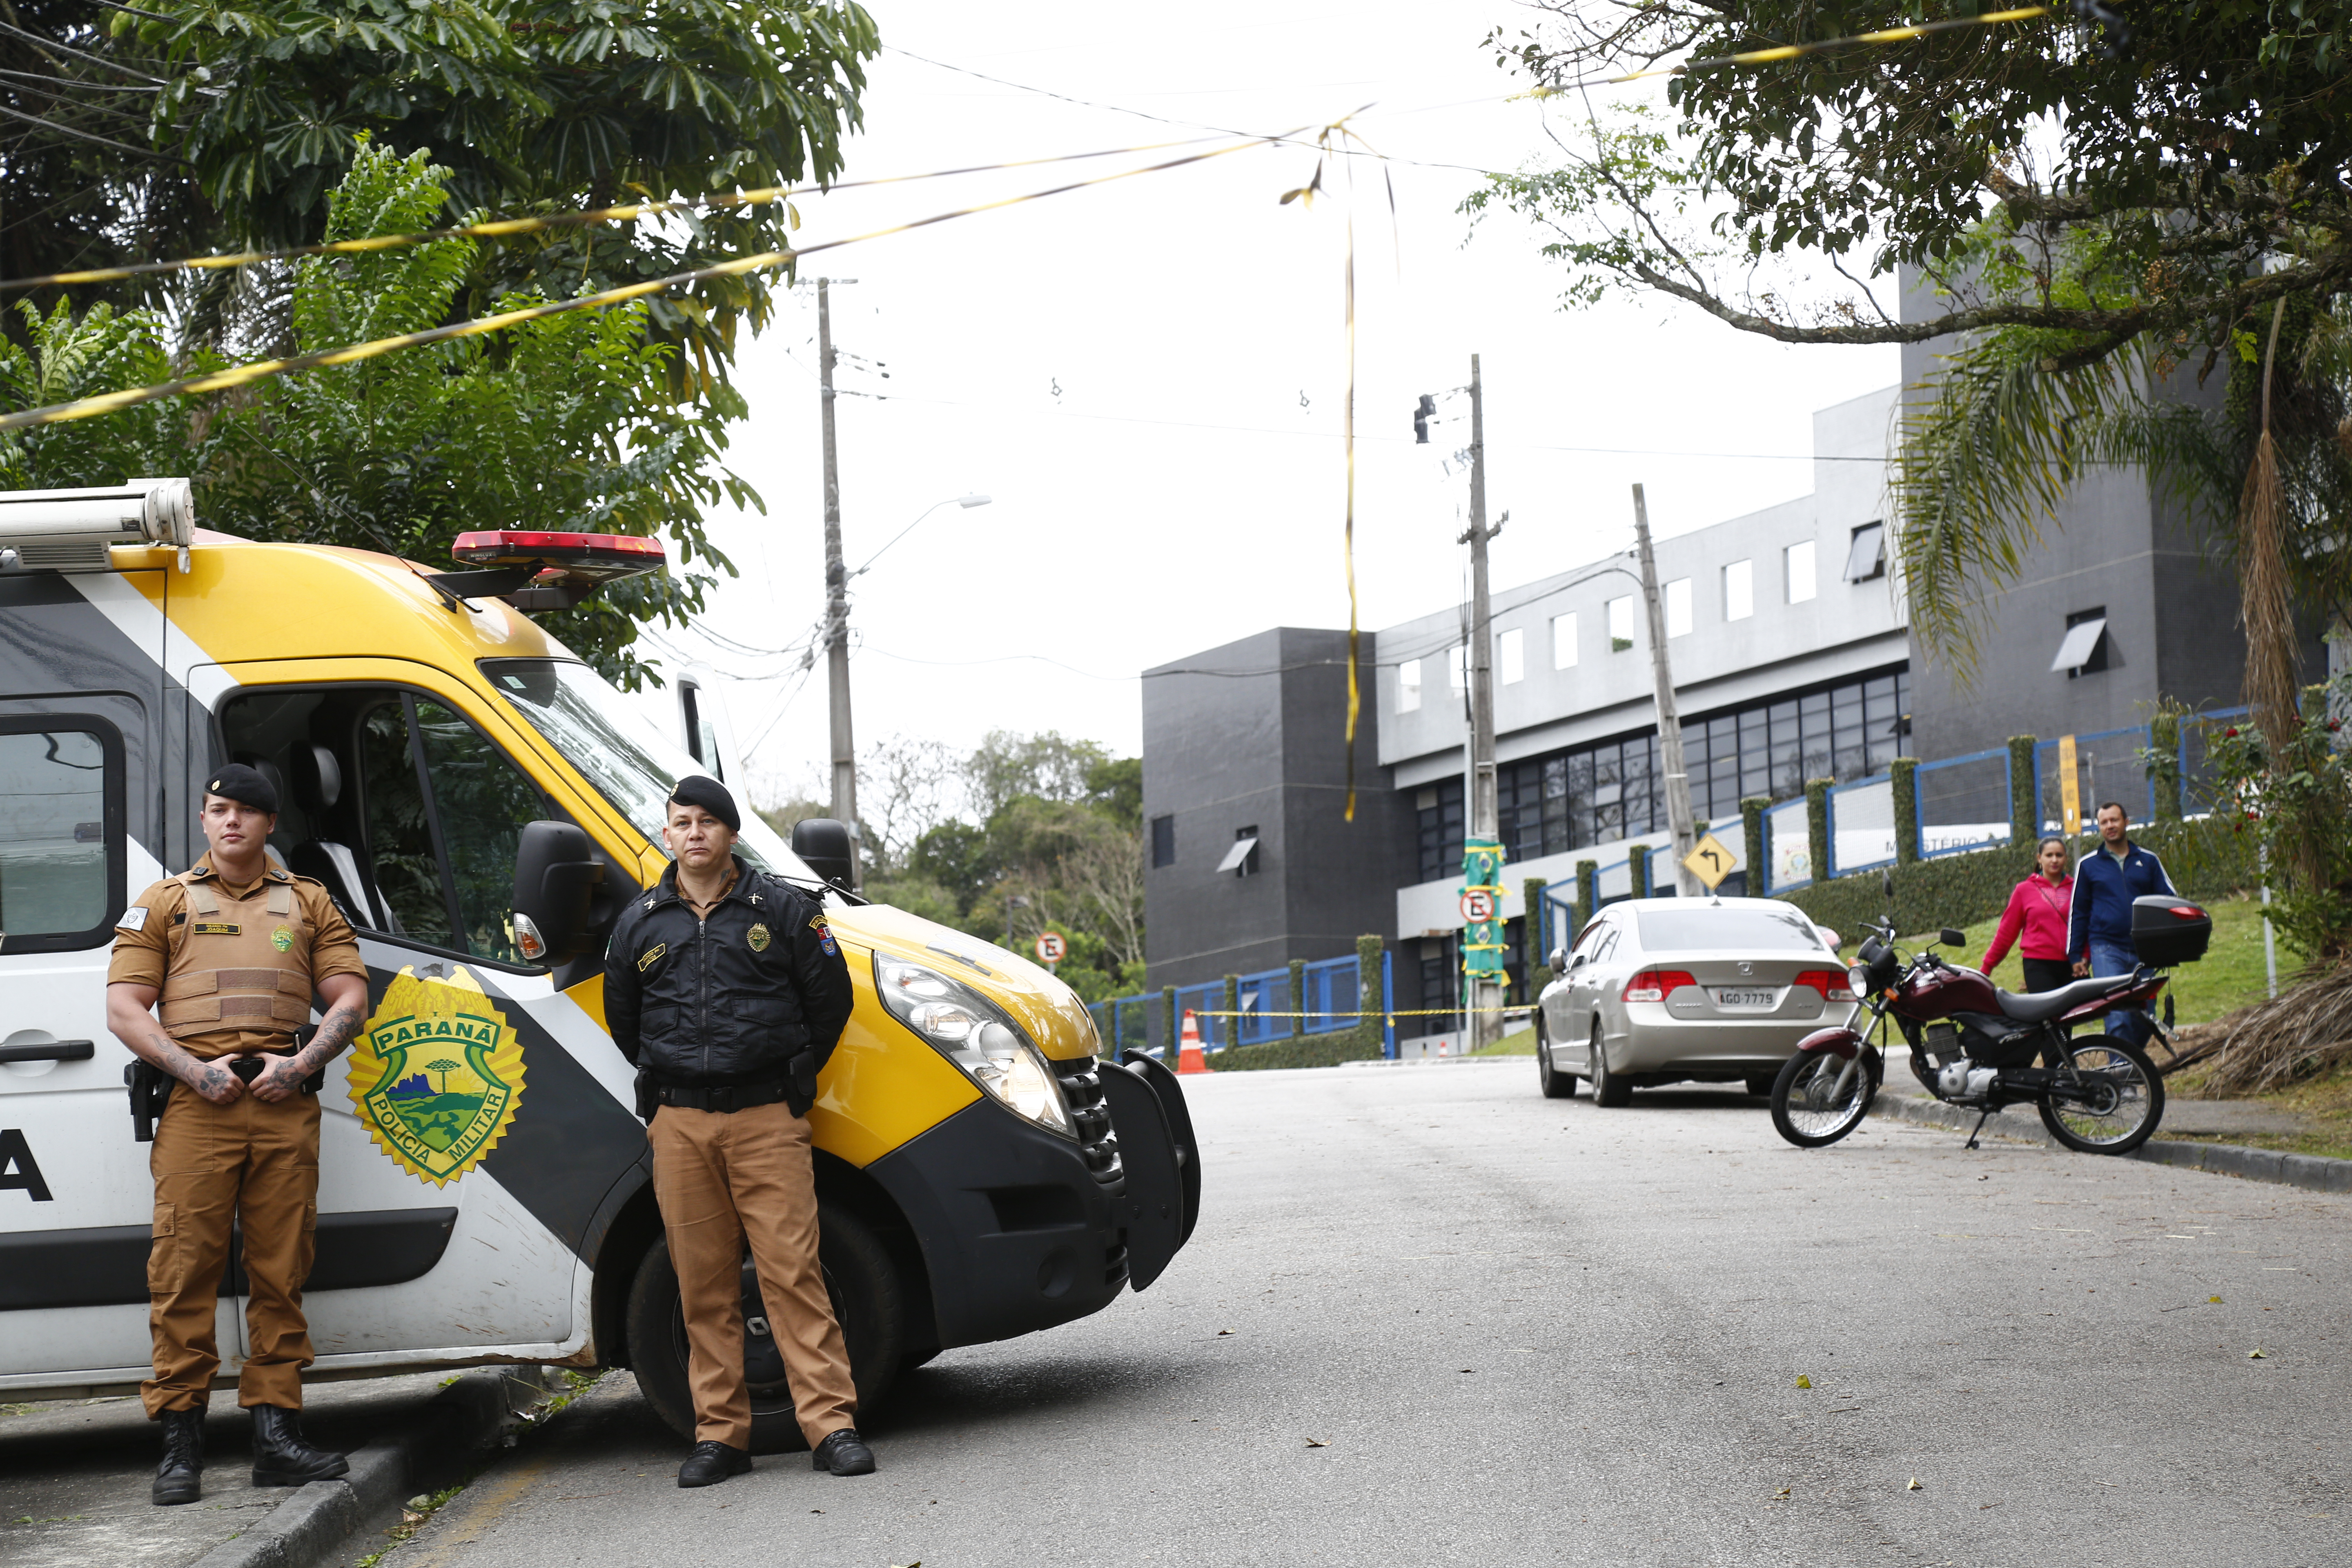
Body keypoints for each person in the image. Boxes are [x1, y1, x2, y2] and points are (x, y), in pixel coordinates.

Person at [105, 764, 374, 1506]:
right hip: (199, 1110)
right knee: (182, 1272)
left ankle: (277, 1438)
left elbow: (351, 996)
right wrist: (196, 1073)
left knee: (281, 1271)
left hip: (283, 1104)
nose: (231, 822)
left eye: (246, 812)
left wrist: (302, 1064)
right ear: (203, 820)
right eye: (218, 810)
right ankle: (180, 1444)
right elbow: (125, 1009)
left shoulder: (309, 902)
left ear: (269, 823)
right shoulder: (165, 903)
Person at [601, 775, 873, 1487]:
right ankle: (720, 1437)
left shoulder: (783, 911)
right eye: (682, 822)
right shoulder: (639, 924)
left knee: (793, 1274)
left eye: (708, 822)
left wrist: (789, 1077)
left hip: (766, 1117)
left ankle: (832, 1426)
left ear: (730, 834)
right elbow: (624, 1021)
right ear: (667, 835)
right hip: (681, 1124)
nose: (694, 833)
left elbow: (830, 1003)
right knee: (703, 1285)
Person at [2067, 800, 2176, 1049]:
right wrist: (2075, 955)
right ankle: (2121, 1071)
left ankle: (2132, 1064)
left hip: (2145, 951)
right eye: (2104, 822)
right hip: (2106, 949)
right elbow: (2078, 912)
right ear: (2099, 827)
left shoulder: (2149, 861)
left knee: (2144, 1016)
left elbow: (2169, 901)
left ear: (2126, 822)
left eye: (2114, 820)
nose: (2110, 826)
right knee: (2117, 1017)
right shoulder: (2088, 865)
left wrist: (2169, 942)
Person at [1981, 837, 2076, 993]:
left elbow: (2089, 926)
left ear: (2066, 858)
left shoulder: (2078, 888)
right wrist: (1987, 968)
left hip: (2074, 964)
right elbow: (2007, 933)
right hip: (2039, 966)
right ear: (2039, 858)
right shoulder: (2024, 890)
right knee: (2047, 1008)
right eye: (2049, 855)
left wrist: (2085, 956)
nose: (2054, 860)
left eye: (2059, 855)